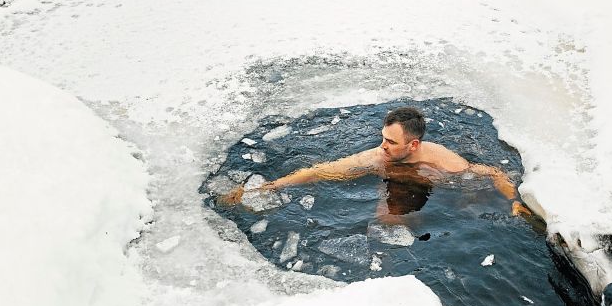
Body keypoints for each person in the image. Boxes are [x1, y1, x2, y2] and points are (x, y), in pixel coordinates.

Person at [221, 106, 547, 227]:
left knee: (467, 203)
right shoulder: (377, 158)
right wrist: (267, 188)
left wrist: (513, 201)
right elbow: (320, 171)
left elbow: (494, 174)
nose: (382, 146)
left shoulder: (445, 161)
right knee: (386, 221)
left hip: (429, 183)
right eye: (382, 138)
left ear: (414, 144)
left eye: (391, 141)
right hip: (400, 183)